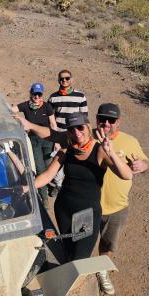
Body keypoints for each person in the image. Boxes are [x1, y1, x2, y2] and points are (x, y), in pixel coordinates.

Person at [34, 112, 133, 262]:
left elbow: (127, 175)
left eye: (80, 128)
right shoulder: (66, 150)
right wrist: (27, 188)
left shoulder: (100, 150)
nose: (76, 133)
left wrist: (110, 152)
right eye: (71, 129)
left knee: (80, 257)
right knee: (68, 251)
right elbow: (47, 175)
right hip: (64, 209)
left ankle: (76, 281)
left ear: (88, 127)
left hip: (88, 214)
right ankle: (68, 279)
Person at [95, 103, 149, 295]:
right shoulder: (84, 136)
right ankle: (80, 273)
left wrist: (143, 165)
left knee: (108, 243)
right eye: (102, 119)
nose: (106, 124)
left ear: (118, 122)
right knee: (82, 242)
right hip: (88, 205)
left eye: (111, 120)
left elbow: (146, 162)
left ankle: (102, 270)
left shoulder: (130, 141)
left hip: (116, 206)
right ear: (96, 119)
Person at [12, 83, 56, 207]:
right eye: (34, 94)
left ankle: (54, 187)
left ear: (42, 95)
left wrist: (57, 141)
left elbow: (53, 124)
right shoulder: (25, 106)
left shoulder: (47, 106)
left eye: (39, 94)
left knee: (51, 166)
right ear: (30, 93)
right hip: (34, 141)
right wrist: (13, 116)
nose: (36, 96)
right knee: (40, 169)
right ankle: (45, 198)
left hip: (48, 139)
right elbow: (10, 109)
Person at [48, 70, 89, 191]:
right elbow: (51, 119)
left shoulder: (81, 97)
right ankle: (58, 185)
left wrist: (85, 137)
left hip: (76, 135)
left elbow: (84, 118)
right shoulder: (53, 98)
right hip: (60, 135)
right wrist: (54, 139)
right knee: (58, 160)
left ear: (72, 79)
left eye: (67, 78)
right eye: (62, 79)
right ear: (58, 80)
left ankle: (75, 184)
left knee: (76, 160)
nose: (64, 81)